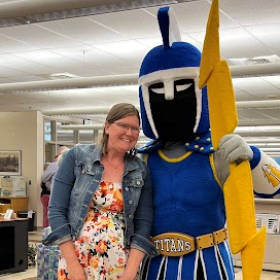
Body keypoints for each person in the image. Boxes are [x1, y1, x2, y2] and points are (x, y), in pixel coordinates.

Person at [137, 4, 279, 280]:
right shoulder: (142, 159)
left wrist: (252, 157)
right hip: (153, 264)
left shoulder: (216, 153)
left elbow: (274, 186)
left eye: (181, 88)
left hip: (208, 262)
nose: (168, 98)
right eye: (157, 90)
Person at [42, 103, 157, 280]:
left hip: (121, 262)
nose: (129, 132)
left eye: (135, 128)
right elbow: (56, 211)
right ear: (107, 126)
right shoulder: (77, 157)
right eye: (123, 125)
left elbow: (144, 223)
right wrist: (72, 264)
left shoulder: (141, 170)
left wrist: (130, 273)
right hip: (77, 260)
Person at [41, 146, 69, 228]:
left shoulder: (54, 166)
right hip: (66, 197)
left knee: (51, 216)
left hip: (54, 196)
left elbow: (43, 178)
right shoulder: (74, 165)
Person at [40, 154, 59, 228]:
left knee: (46, 214)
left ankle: (46, 230)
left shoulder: (50, 170)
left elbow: (42, 181)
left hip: (45, 194)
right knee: (50, 214)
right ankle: (48, 230)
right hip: (49, 195)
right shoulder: (55, 167)